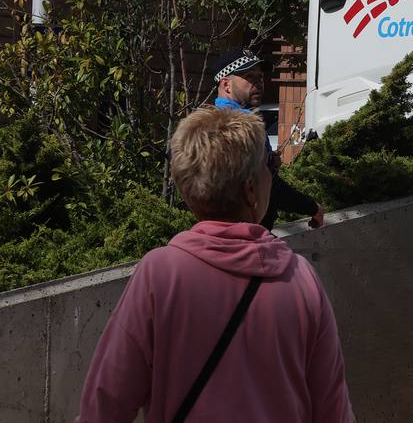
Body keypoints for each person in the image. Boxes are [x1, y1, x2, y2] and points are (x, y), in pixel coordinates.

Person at [78, 107, 354, 422]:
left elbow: (106, 403)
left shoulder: (160, 274)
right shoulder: (301, 280)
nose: (271, 177)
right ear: (251, 189)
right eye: (268, 169)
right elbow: (333, 410)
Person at [212, 49, 324, 230]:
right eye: (250, 76)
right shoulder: (236, 128)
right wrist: (311, 207)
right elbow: (261, 188)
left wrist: (268, 164)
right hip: (244, 239)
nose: (259, 82)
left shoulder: (214, 121)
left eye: (260, 76)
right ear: (226, 85)